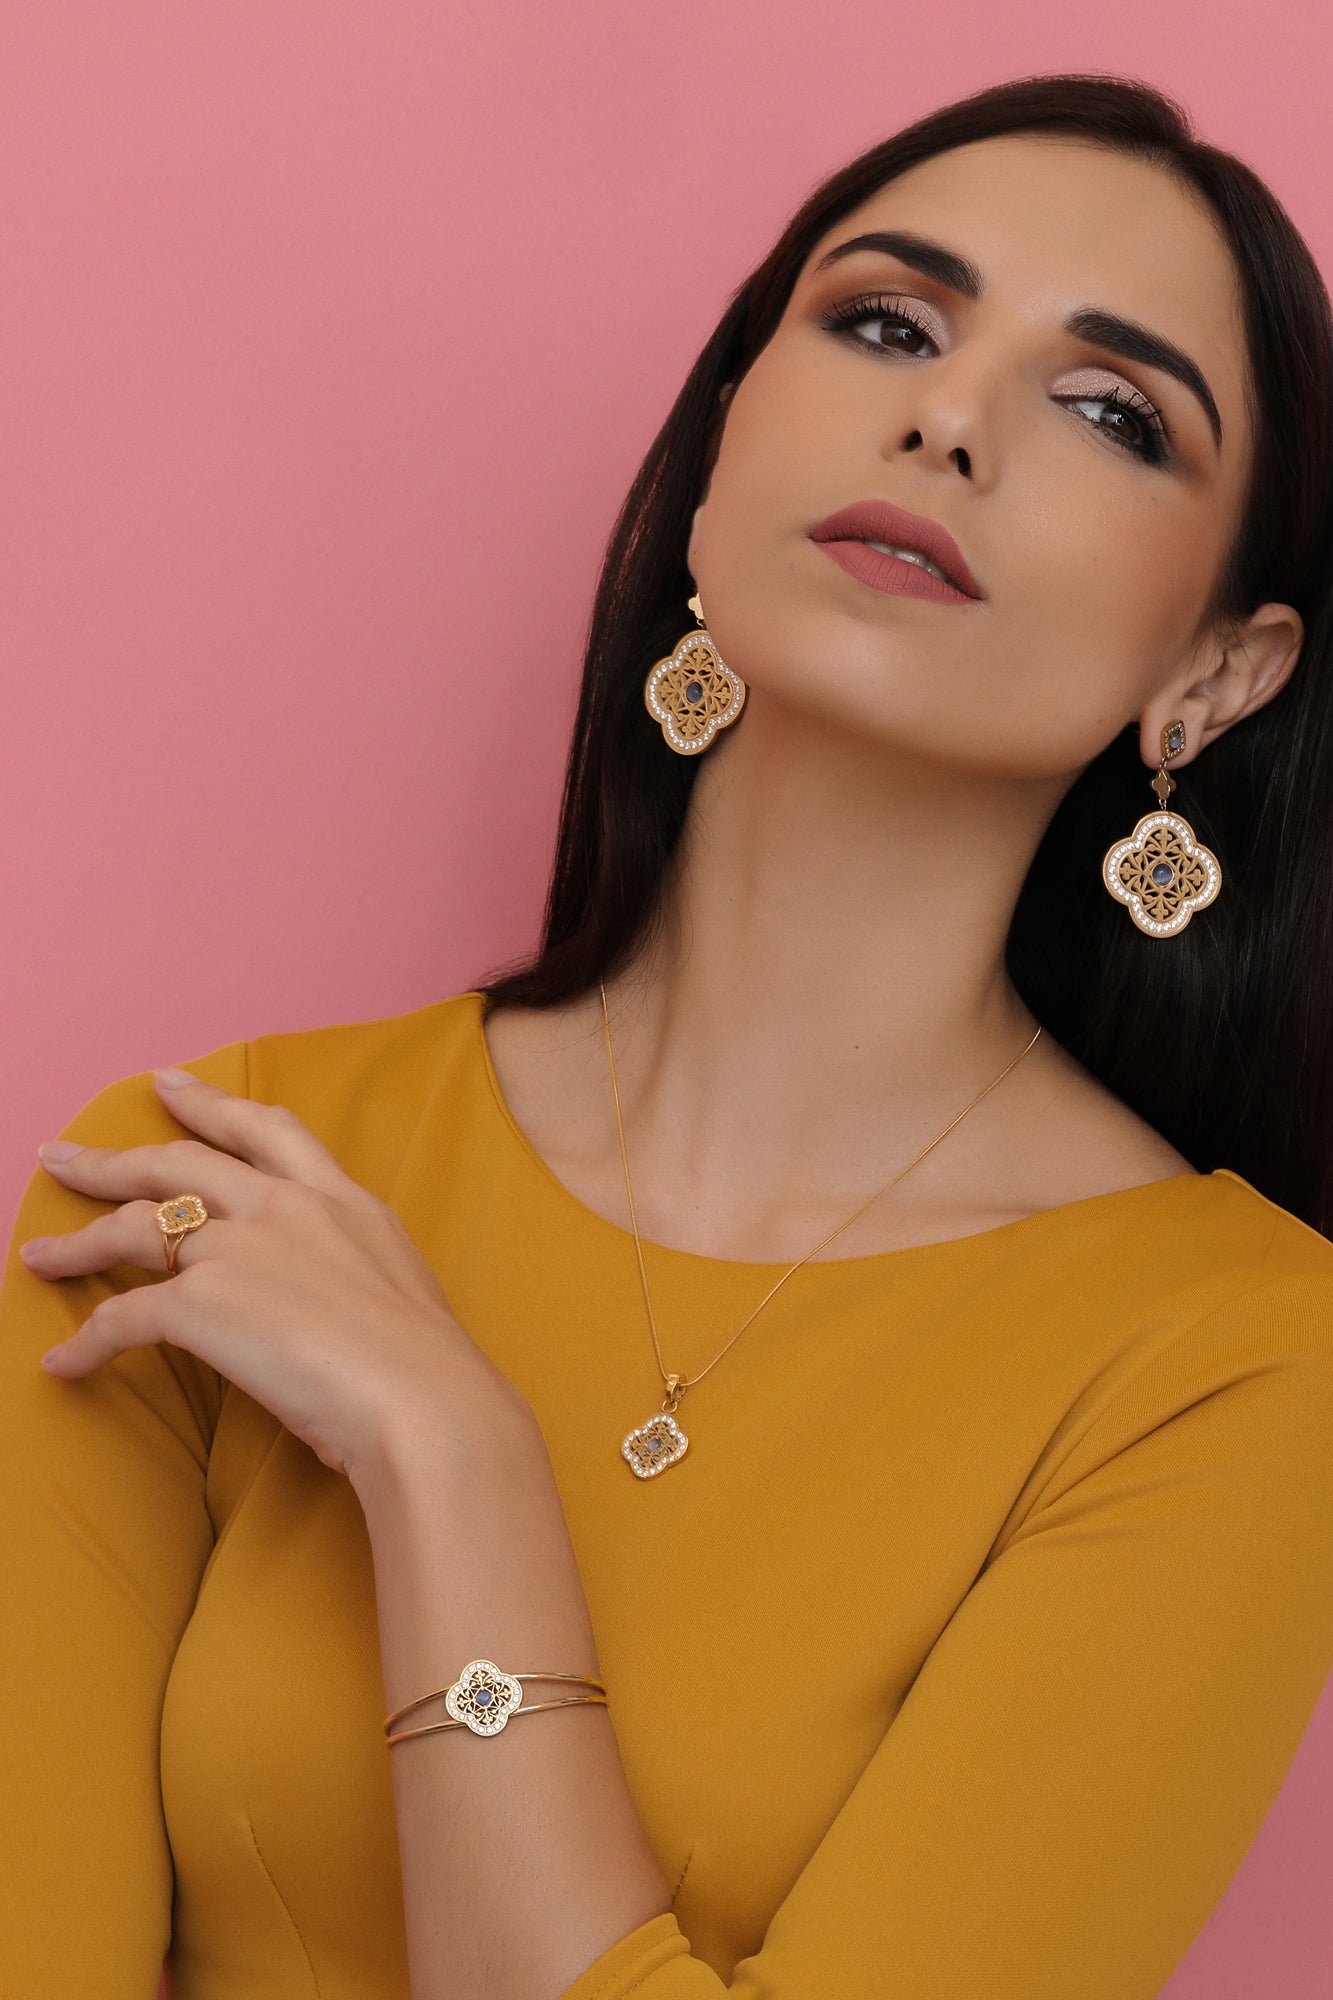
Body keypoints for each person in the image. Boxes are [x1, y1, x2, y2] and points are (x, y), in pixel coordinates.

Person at [4, 70, 1333, 2000]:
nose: (947, 420)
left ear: (1214, 673)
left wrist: (451, 1464)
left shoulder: (1237, 1361)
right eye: (887, 322)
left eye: (1111, 410)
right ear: (719, 458)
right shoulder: (214, 1182)